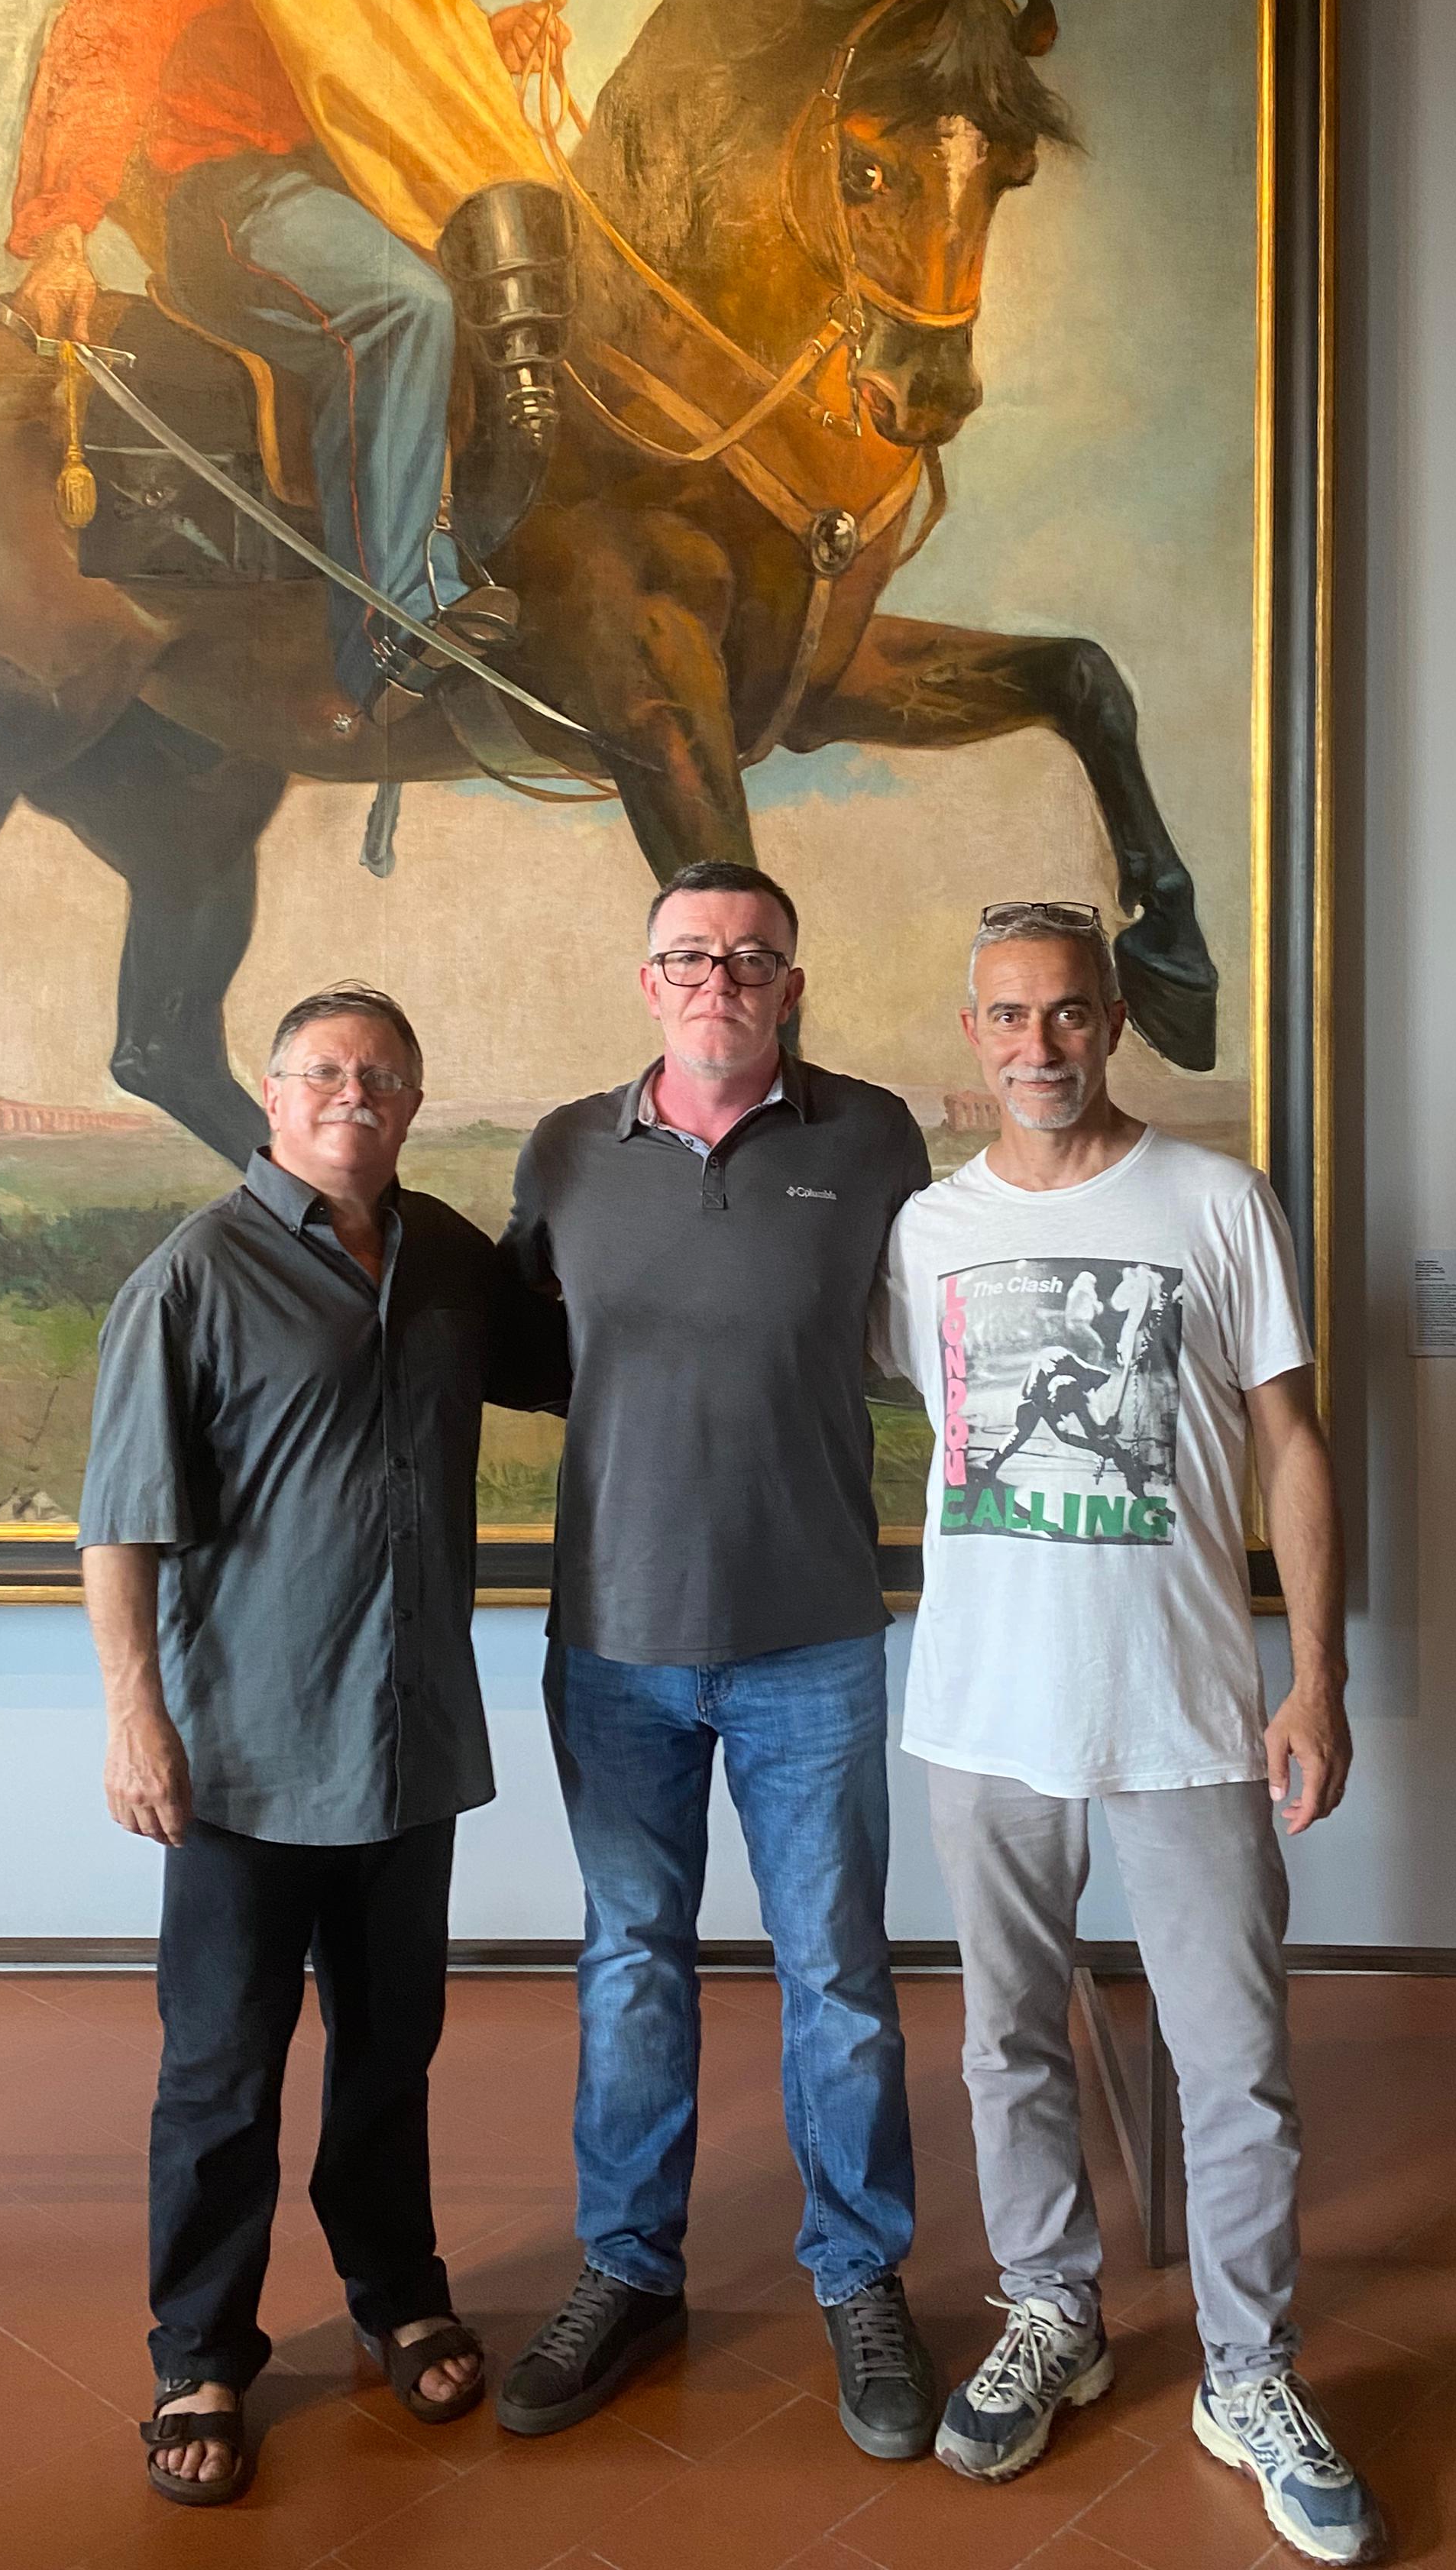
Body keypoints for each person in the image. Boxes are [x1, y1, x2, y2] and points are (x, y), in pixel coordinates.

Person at [873, 901, 1386, 2565]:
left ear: (1111, 1021)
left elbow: (1289, 1442)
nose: (1037, 1046)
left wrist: (1313, 1675)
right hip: (983, 1708)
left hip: (1182, 1707)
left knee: (1234, 2062)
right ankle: (1052, 2311)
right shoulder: (926, 1229)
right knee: (1004, 2036)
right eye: (1007, 1016)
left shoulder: (1215, 1202)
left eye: (1068, 1013)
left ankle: (1248, 2371)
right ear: (973, 1032)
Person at [76, 982, 569, 2507]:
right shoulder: (194, 1275)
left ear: (412, 1102)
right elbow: (118, 1526)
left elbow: (581, 1361)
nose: (355, 1093)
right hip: (244, 1755)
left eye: (383, 1074)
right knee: (221, 2071)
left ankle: (396, 2291)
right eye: (327, 1071)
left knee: (389, 2051)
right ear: (276, 1096)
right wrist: (136, 1719)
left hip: (408, 1745)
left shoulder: (449, 1263)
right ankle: (199, 2352)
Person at [495, 860, 941, 2459]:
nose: (719, 981)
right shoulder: (565, 1150)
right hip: (615, 1638)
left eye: (751, 959)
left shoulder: (873, 1137)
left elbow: (936, 1331)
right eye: (689, 956)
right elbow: (522, 1352)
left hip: (812, 1630)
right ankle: (628, 2266)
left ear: (791, 986)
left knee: (837, 1973)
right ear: (648, 982)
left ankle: (860, 2273)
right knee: (630, 1960)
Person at [8, 0, 573, 723]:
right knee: (403, 307)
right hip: (233, 199)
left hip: (337, 192)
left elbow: (366, 58)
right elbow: (107, 34)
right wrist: (62, 227)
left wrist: (483, 43)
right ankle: (394, 630)